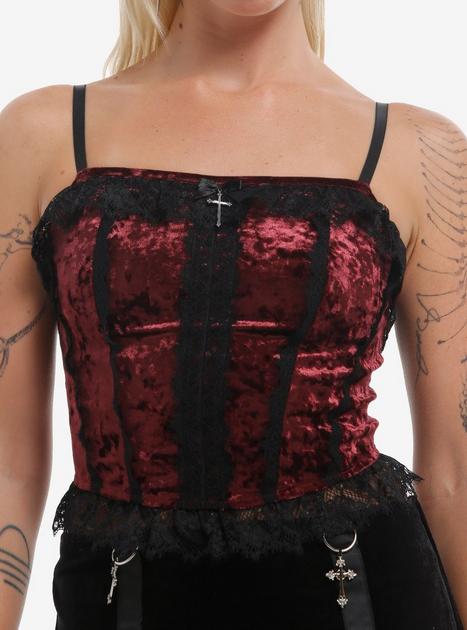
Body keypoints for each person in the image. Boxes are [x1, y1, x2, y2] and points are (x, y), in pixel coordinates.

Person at [0, 0, 465, 628]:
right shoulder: (41, 134)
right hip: (118, 597)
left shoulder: (420, 150)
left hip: (359, 597)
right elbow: (8, 466)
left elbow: (456, 474)